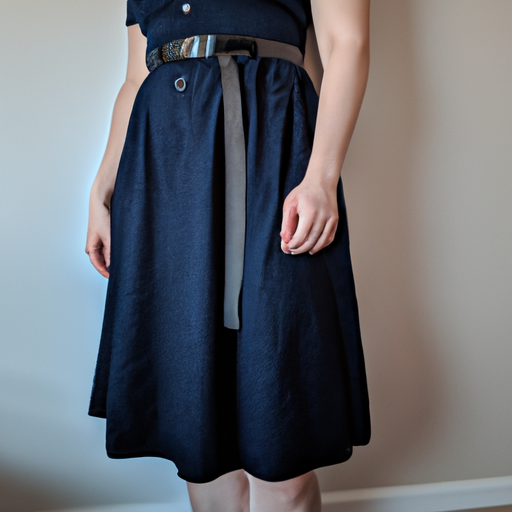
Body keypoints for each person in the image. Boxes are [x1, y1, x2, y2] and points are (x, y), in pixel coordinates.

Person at [85, 0, 371, 510]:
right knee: (198, 433)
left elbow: (344, 43)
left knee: (283, 412)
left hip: (276, 151)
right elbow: (135, 79)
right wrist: (102, 192)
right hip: (166, 167)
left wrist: (322, 179)